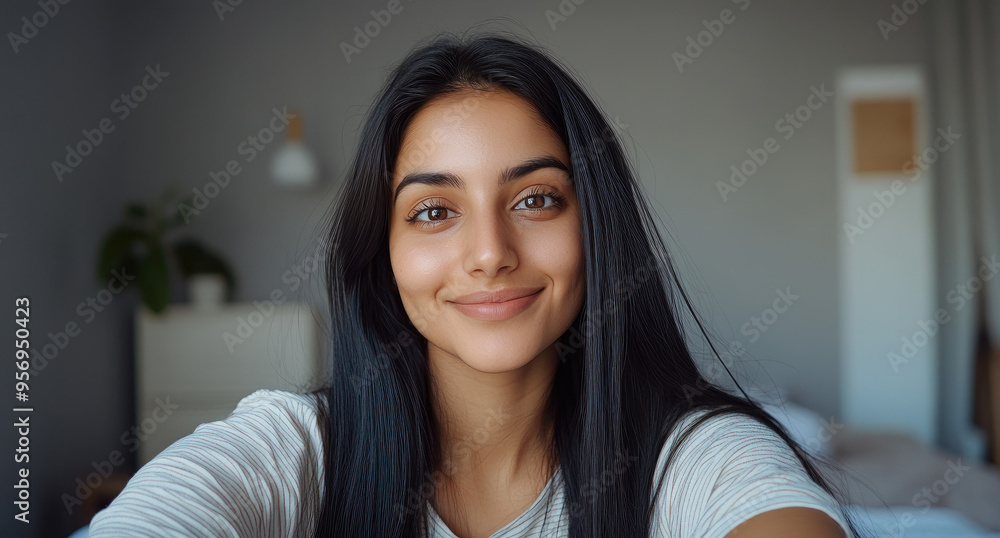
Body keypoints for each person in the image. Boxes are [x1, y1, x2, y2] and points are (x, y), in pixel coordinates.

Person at [89, 30, 870, 537]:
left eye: (535, 199)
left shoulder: (694, 459)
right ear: (382, 255)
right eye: (434, 211)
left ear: (594, 225)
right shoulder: (294, 450)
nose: (490, 252)